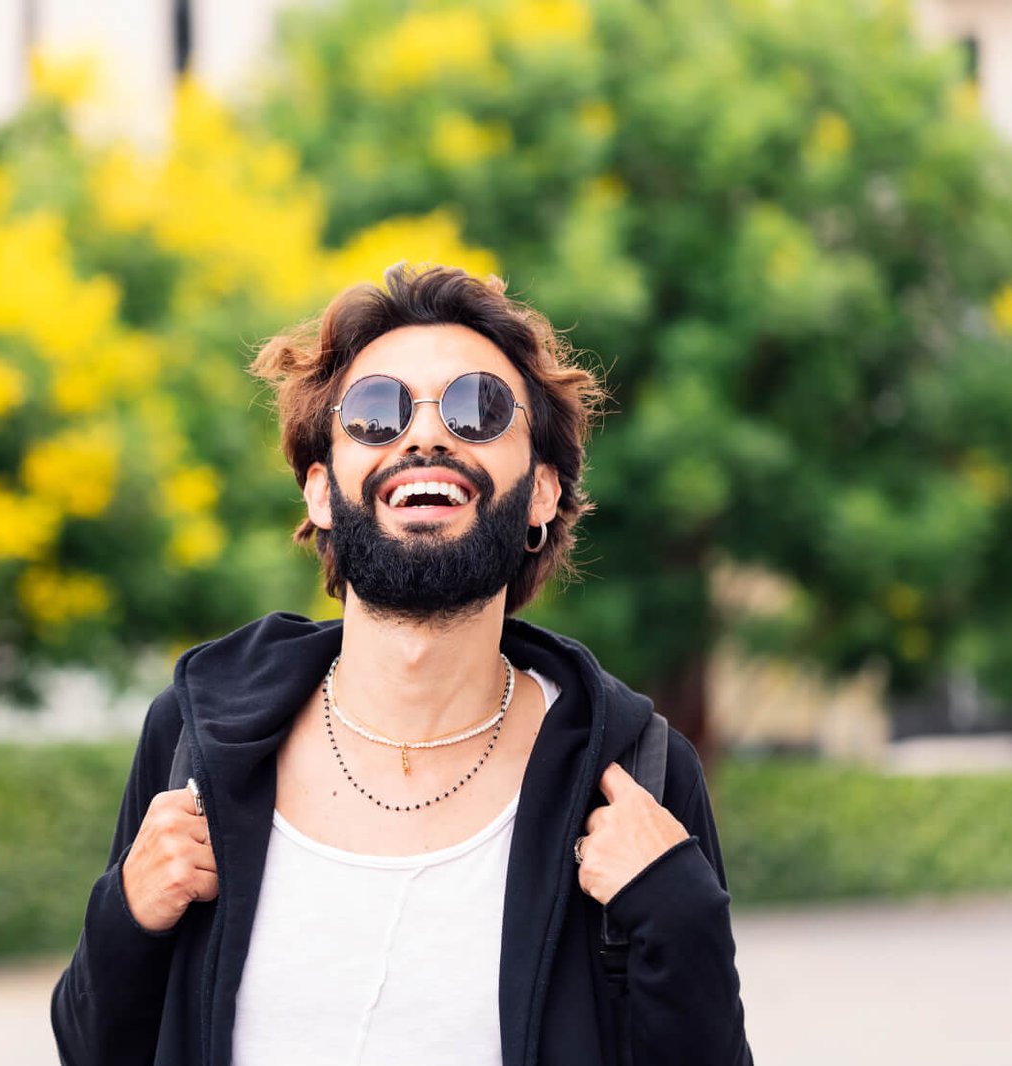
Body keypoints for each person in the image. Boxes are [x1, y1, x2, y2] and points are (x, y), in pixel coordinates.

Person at [51, 264, 752, 1066]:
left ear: (541, 493)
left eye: (479, 409)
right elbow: (90, 1049)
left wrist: (678, 910)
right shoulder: (196, 738)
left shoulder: (633, 775)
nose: (425, 437)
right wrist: (129, 913)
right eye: (376, 414)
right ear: (321, 491)